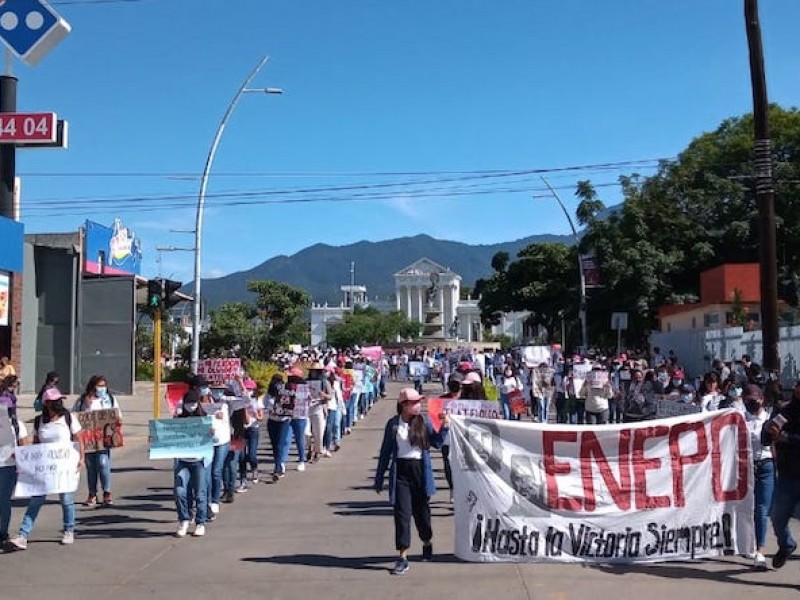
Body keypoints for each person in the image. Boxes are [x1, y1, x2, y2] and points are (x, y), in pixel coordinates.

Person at [374, 388, 448, 576]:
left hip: (420, 473)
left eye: (418, 402)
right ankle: (403, 556)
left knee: (422, 514)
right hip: (401, 473)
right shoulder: (393, 425)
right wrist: (379, 476)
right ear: (403, 405)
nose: (417, 406)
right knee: (402, 515)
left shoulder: (424, 423)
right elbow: (385, 452)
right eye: (413, 402)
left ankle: (426, 541)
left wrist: (444, 427)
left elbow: (437, 443)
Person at [8, 387, 85, 549]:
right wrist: (26, 461)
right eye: (54, 401)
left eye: (58, 401)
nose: (58, 404)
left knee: (66, 499)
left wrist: (81, 458)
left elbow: (79, 439)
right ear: (47, 404)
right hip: (45, 467)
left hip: (64, 466)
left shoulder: (68, 418)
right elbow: (36, 444)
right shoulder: (39, 421)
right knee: (36, 500)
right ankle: (23, 535)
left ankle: (69, 529)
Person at [762, 380, 800, 569]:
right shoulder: (784, 410)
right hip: (787, 476)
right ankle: (786, 545)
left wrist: (787, 438)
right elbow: (765, 439)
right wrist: (769, 429)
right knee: (778, 518)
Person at [72, 375, 119, 507]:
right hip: (87, 439)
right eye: (99, 385)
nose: (102, 388)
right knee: (91, 466)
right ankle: (92, 494)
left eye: (104, 386)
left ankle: (107, 492)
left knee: (103, 463)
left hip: (103, 438)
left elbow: (117, 415)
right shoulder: (82, 400)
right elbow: (73, 415)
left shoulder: (109, 399)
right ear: (93, 386)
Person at [744, 383, 773, 570]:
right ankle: (747, 543)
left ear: (762, 400)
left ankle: (760, 551)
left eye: (754, 400)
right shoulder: (740, 419)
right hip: (745, 467)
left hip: (766, 465)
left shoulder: (770, 419)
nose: (751, 404)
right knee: (746, 508)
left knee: (761, 509)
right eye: (747, 401)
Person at [173, 388, 209, 537]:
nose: (191, 405)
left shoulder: (204, 418)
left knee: (200, 493)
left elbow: (210, 440)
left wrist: (211, 433)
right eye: (188, 403)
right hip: (182, 461)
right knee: (180, 491)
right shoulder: (179, 419)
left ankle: (200, 522)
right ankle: (184, 520)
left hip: (198, 461)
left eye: (193, 403)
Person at [1, 388, 28, 546]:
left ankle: (2, 532)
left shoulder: (18, 426)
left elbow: (24, 448)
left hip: (8, 467)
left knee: (3, 500)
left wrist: (18, 454)